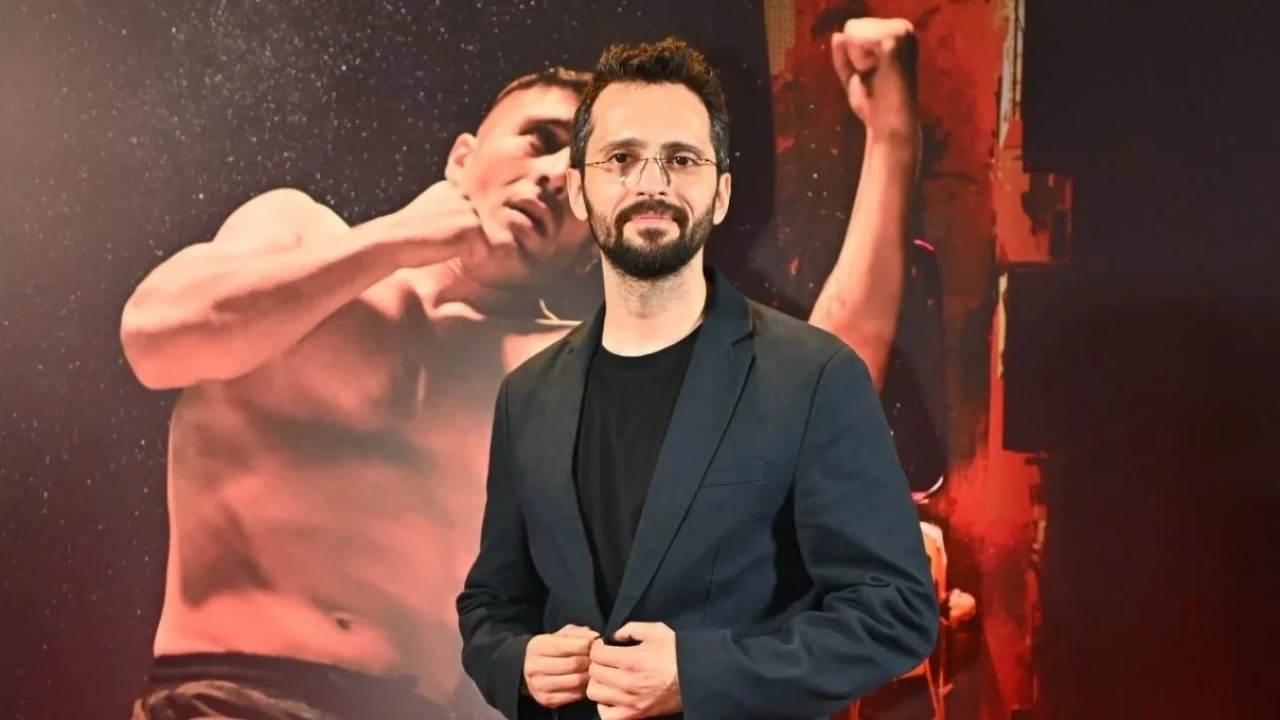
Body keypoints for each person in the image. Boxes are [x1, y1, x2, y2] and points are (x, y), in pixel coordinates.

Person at [457, 19, 939, 720]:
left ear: (721, 193)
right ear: (581, 191)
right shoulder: (528, 396)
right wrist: (517, 661)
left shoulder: (812, 376)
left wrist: (700, 674)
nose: (651, 182)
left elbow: (895, 612)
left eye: (681, 159)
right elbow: (492, 603)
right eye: (621, 158)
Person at [120, 67, 597, 720]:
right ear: (462, 159)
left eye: (590, 177)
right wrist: (396, 240)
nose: (558, 177)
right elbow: (155, 339)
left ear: (594, 245)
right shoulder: (297, 230)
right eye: (541, 140)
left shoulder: (575, 368)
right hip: (231, 693)